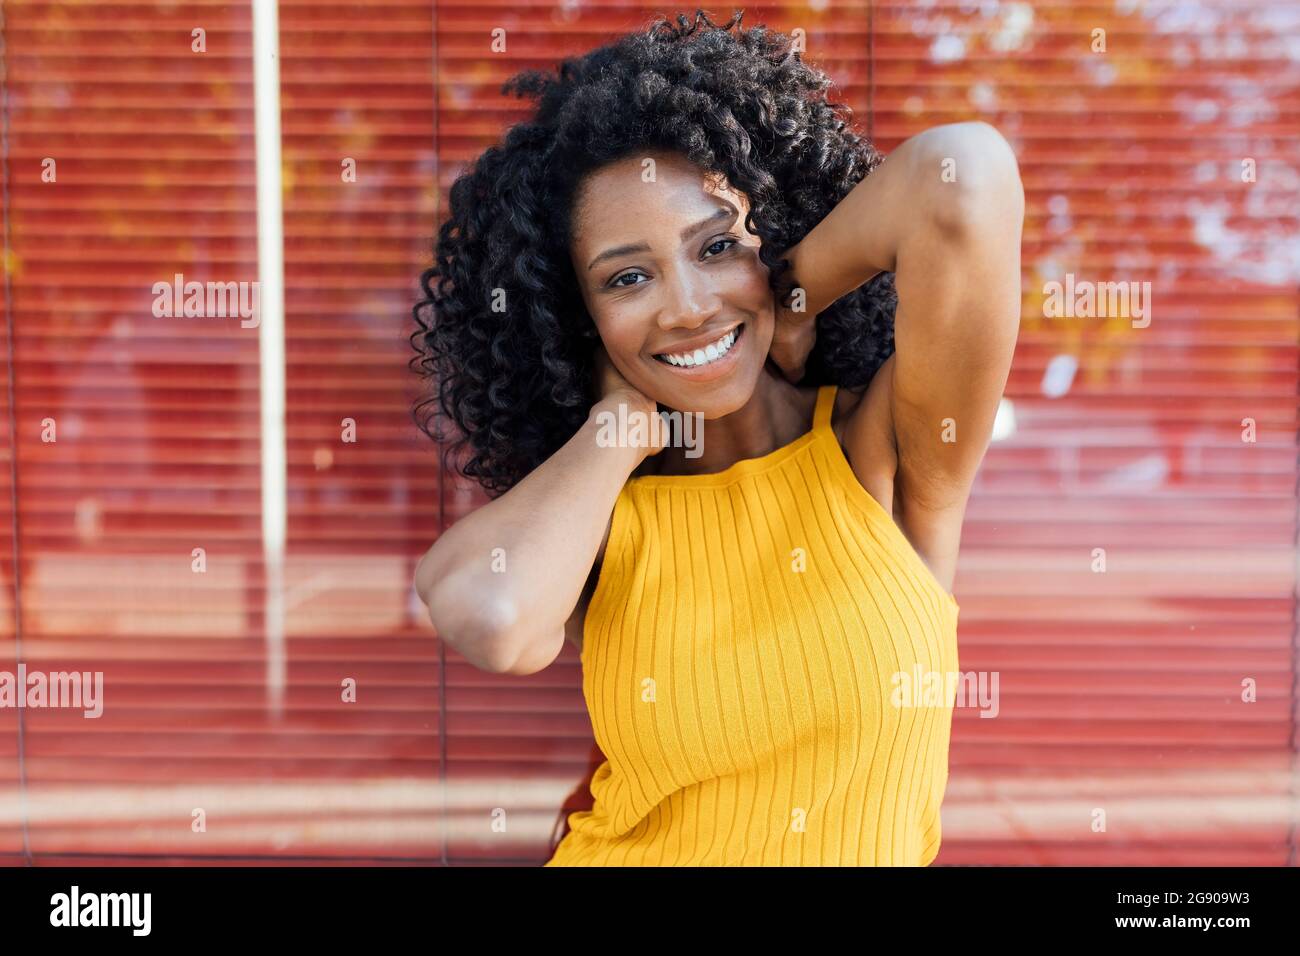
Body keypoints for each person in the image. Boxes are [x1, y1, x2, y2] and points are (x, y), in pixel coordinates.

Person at [411, 9, 1022, 865]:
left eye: (719, 246)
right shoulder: (598, 514)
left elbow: (967, 181)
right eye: (628, 277)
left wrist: (795, 299)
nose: (688, 305)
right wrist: (620, 424)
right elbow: (491, 613)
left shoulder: (880, 452)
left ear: (779, 229)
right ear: (572, 318)